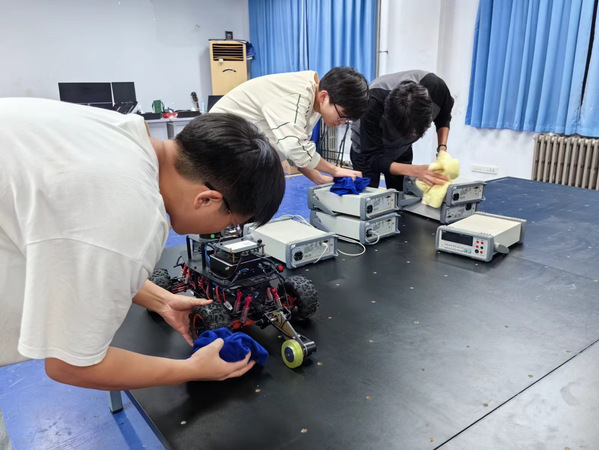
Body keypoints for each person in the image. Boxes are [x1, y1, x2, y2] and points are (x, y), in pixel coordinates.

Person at [0, 98, 286, 390]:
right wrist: (193, 369)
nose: (228, 232)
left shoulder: (127, 132)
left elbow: (81, 259)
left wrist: (162, 300)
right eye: (232, 224)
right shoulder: (132, 217)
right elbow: (71, 366)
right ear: (207, 200)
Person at [210, 67, 370, 185]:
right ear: (324, 97)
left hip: (241, 155)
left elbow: (297, 150)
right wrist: (335, 170)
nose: (342, 122)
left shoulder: (313, 103)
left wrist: (319, 178)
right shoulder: (297, 95)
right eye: (342, 115)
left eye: (347, 120)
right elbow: (294, 147)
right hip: (220, 147)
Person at [350, 70, 455, 191]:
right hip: (366, 151)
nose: (414, 134)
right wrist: (415, 170)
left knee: (401, 194)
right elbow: (372, 157)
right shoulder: (371, 104)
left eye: (417, 130)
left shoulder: (436, 88)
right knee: (368, 195)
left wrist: (442, 149)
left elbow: (444, 116)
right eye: (409, 131)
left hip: (401, 149)